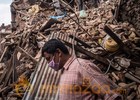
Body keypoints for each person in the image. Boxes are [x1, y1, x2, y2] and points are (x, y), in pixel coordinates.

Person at [42, 39, 123, 100]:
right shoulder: (64, 71)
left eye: (48, 58)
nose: (49, 63)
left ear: (58, 52)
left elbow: (110, 95)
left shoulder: (82, 66)